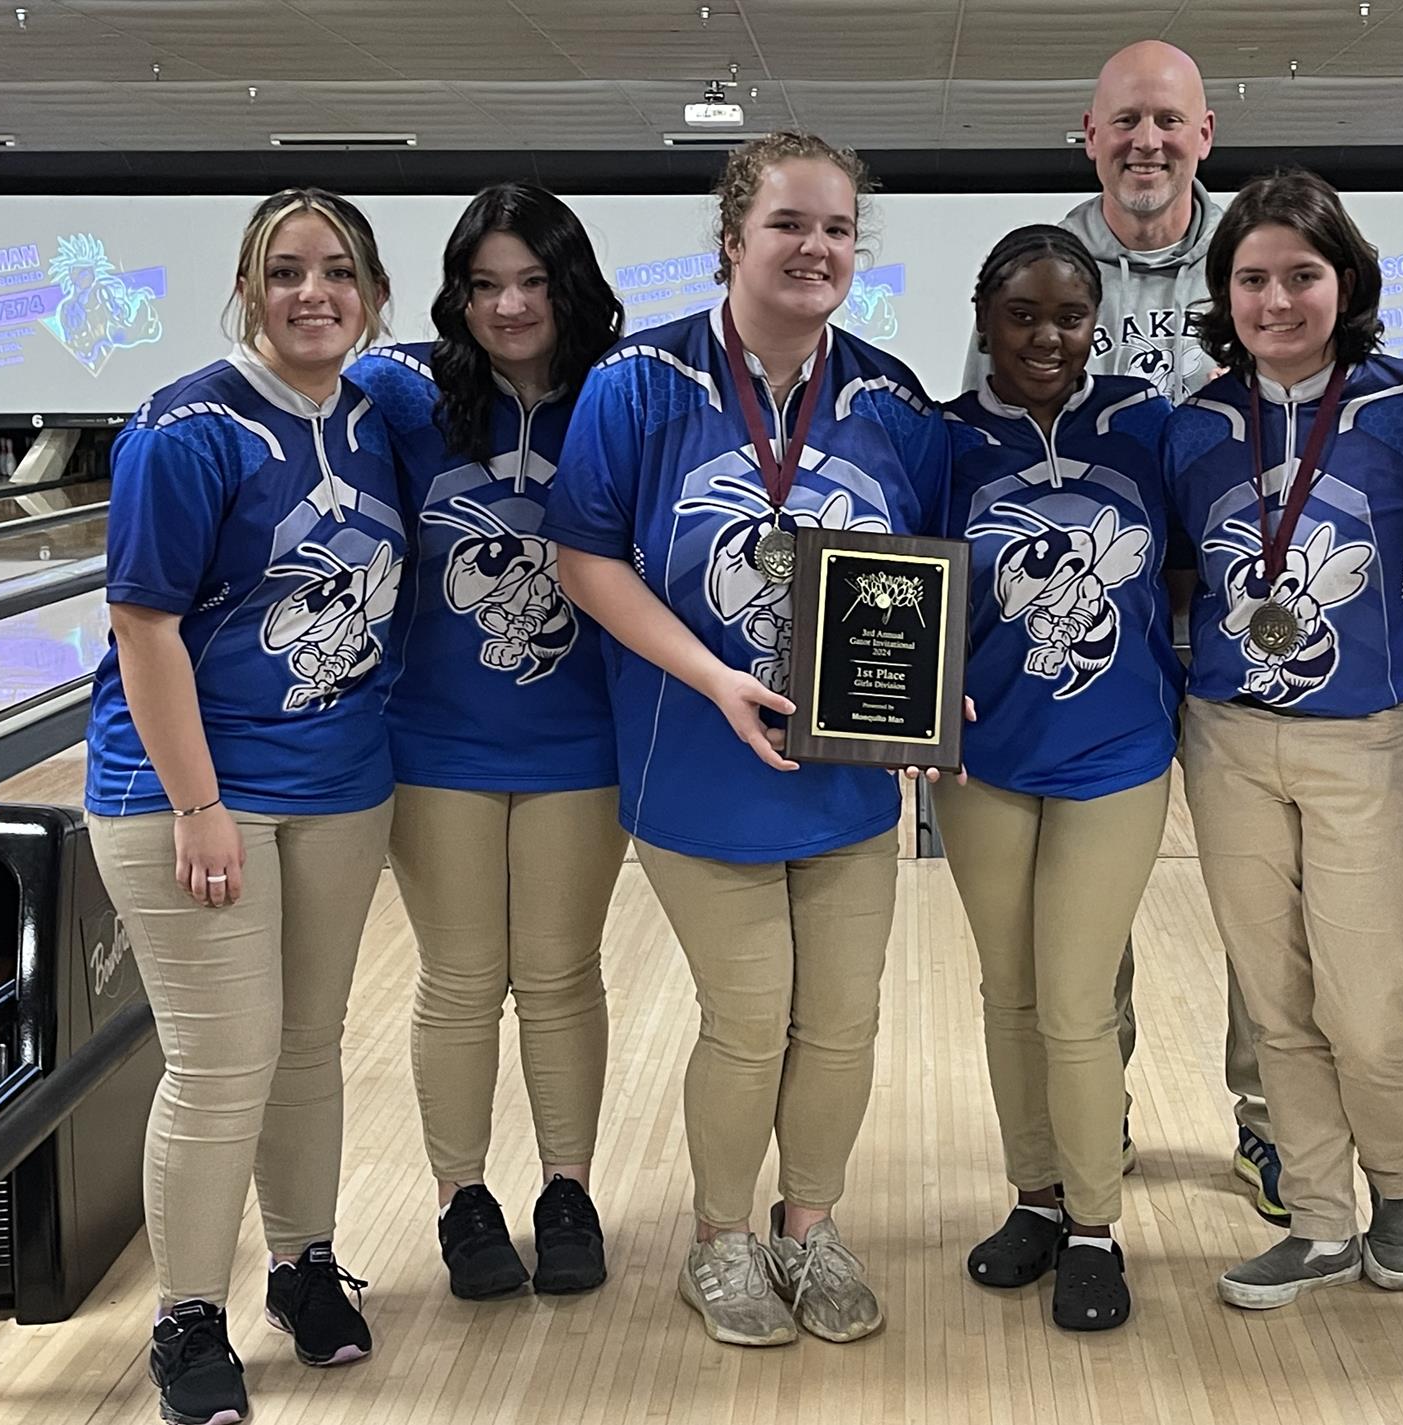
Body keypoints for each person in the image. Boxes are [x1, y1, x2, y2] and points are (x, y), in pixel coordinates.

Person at [545, 131, 949, 1349]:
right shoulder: (638, 385)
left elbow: (925, 583)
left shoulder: (891, 400)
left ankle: (808, 1226)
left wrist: (929, 695)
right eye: (787, 225)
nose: (814, 248)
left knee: (842, 1018)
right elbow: (583, 557)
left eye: (835, 229)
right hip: (695, 757)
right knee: (748, 1012)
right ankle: (721, 1240)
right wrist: (714, 675)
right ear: (732, 240)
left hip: (843, 778)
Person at [84, 188, 403, 1425]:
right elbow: (143, 625)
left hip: (341, 783)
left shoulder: (382, 416)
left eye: (335, 271)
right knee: (223, 1067)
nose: (311, 293)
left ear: (372, 293)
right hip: (188, 796)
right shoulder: (185, 429)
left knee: (309, 1044)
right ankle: (186, 1317)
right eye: (284, 271)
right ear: (248, 289)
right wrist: (200, 802)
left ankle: (305, 1264)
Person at [968, 37, 1283, 1217]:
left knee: (1259, 902)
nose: (1145, 142)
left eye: (1168, 121)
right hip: (1102, 626)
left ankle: (1267, 1126)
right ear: (1090, 137)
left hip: (1242, 628)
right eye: (1123, 123)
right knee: (1080, 935)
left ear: (1204, 134)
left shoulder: (1255, 252)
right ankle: (1098, 1113)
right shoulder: (1044, 265)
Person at [1167, 171, 1403, 1310]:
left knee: (1369, 1002)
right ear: (1222, 293)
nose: (1275, 299)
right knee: (1276, 1000)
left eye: (1301, 275)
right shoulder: (1190, 426)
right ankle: (1321, 1221)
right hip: (1229, 739)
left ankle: (1401, 1194)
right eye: (1250, 279)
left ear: (1347, 282)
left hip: (1371, 745)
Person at [348, 183, 626, 1303]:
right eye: (484, 285)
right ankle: (464, 1199)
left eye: (532, 282)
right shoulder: (400, 395)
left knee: (559, 976)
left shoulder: (618, 396)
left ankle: (567, 1191)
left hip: (583, 740)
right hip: (435, 743)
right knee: (461, 981)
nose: (509, 306)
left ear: (572, 287)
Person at [938, 224, 1183, 1331]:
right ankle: (1032, 1201)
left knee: (1077, 1002)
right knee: (1010, 994)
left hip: (1116, 754)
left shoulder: (1146, 426)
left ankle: (1095, 1224)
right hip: (984, 760)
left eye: (1068, 316)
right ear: (985, 317)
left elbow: (1198, 556)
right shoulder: (940, 442)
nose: (1047, 337)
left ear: (1098, 324)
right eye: (1024, 314)